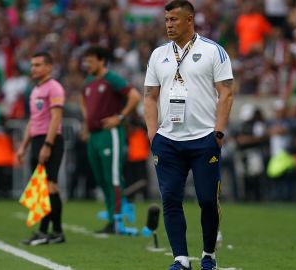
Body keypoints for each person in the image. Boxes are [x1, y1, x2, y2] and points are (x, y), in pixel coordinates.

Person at [144, 1, 234, 269]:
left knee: (207, 200)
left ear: (190, 20)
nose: (168, 25)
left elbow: (226, 92)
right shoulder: (158, 54)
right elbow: (149, 96)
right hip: (168, 141)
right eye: (167, 20)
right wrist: (153, 134)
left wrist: (218, 132)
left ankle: (208, 255)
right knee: (170, 199)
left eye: (173, 19)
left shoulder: (213, 51)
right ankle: (180, 259)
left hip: (204, 138)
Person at [80, 46, 141, 234]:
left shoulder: (111, 79)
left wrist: (120, 118)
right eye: (86, 61)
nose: (87, 65)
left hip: (110, 134)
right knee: (100, 178)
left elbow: (134, 96)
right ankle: (111, 217)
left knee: (112, 177)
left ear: (101, 61)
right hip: (94, 135)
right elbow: (84, 101)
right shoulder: (89, 82)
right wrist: (86, 124)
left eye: (90, 61)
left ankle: (116, 220)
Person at [17, 52, 66, 245]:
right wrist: (23, 146)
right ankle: (48, 232)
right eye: (32, 65)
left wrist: (47, 144)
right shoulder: (35, 90)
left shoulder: (54, 88)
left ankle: (54, 231)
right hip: (37, 141)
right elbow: (33, 121)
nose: (33, 69)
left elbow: (56, 118)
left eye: (38, 65)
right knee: (42, 188)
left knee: (50, 185)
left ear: (49, 67)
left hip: (50, 140)